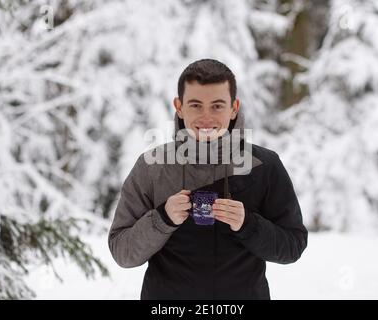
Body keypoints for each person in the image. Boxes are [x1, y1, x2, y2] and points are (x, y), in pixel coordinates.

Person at [108, 58, 308, 300]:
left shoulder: (264, 166)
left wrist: (248, 224)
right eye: (195, 105)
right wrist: (162, 218)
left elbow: (292, 246)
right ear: (179, 106)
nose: (206, 118)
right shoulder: (152, 167)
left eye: (217, 106)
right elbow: (122, 252)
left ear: (234, 108)